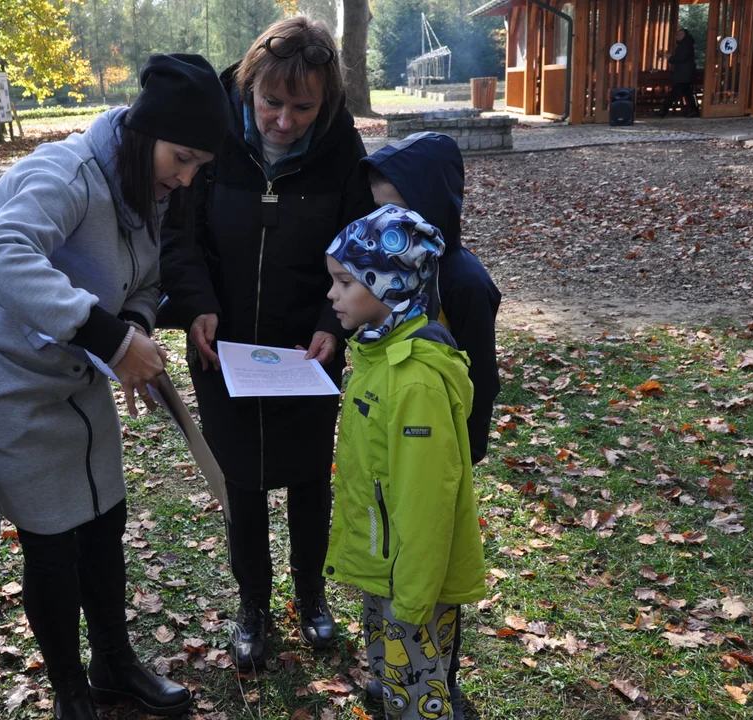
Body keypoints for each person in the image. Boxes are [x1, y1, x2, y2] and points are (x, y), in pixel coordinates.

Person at [0, 54, 229, 720]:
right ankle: (70, 689)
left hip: (73, 360)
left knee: (104, 516)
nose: (183, 180)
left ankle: (114, 664)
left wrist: (133, 332)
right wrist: (116, 344)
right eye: (180, 159)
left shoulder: (145, 190)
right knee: (50, 536)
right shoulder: (64, 175)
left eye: (197, 169)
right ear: (144, 133)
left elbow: (146, 282)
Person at [159, 15, 375, 671]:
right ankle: (254, 604)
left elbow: (358, 246)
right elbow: (180, 237)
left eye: (302, 107)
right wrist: (196, 305)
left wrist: (330, 324)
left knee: (311, 481)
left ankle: (311, 597)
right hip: (224, 347)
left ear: (325, 103)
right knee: (243, 483)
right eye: (271, 103)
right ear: (248, 86)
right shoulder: (213, 138)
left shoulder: (342, 150)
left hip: (307, 351)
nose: (284, 120)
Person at [321, 205, 487, 720]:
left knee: (417, 686)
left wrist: (414, 599)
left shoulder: (413, 381)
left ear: (390, 286)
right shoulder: (378, 354)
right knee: (391, 660)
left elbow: (426, 498)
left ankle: (408, 701)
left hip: (412, 578)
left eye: (346, 282)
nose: (332, 295)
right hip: (387, 563)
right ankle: (389, 689)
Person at [359, 131, 501, 718]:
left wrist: (462, 454)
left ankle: (442, 681)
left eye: (396, 207)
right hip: (391, 457)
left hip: (440, 459)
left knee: (435, 573)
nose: (383, 220)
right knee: (392, 564)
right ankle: (395, 674)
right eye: (376, 209)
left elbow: (481, 380)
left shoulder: (464, 283)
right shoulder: (387, 276)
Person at [660, 29, 700, 118]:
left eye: (681, 34)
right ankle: (695, 111)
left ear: (685, 35)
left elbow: (681, 58)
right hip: (686, 74)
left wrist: (670, 58)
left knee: (674, 93)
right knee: (687, 93)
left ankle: (664, 111)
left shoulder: (684, 45)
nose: (678, 35)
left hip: (683, 74)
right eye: (677, 34)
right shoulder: (687, 44)